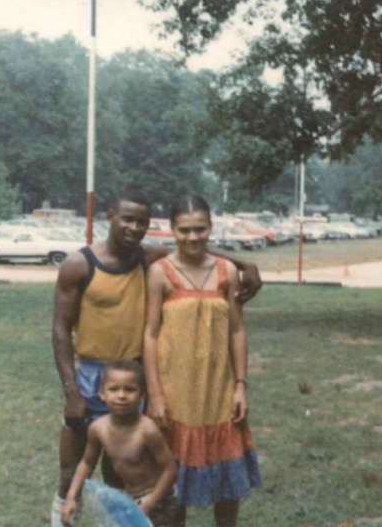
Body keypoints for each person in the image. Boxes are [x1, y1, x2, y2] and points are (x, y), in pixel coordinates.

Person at [51, 190, 261, 526]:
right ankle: (62, 519)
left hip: (175, 383)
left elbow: (196, 253)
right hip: (115, 380)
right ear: (110, 216)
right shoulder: (98, 265)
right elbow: (65, 330)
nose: (134, 227)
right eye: (128, 219)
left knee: (139, 469)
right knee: (85, 464)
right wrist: (72, 391)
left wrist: (244, 263)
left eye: (142, 222)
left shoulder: (172, 262)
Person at [143, 195, 261, 527]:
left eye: (200, 229)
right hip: (174, 392)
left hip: (218, 391)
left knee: (228, 488)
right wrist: (155, 395)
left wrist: (241, 385)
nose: (193, 237)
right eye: (184, 230)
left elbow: (237, 330)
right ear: (172, 230)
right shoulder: (159, 273)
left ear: (211, 228)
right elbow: (150, 335)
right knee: (172, 483)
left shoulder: (227, 272)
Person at [62, 360, 180, 527]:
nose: (121, 395)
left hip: (161, 500)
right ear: (102, 393)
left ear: (141, 394)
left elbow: (171, 470)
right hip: (131, 499)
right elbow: (87, 463)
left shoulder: (147, 430)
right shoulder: (98, 429)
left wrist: (149, 504)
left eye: (130, 389)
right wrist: (72, 496)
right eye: (114, 389)